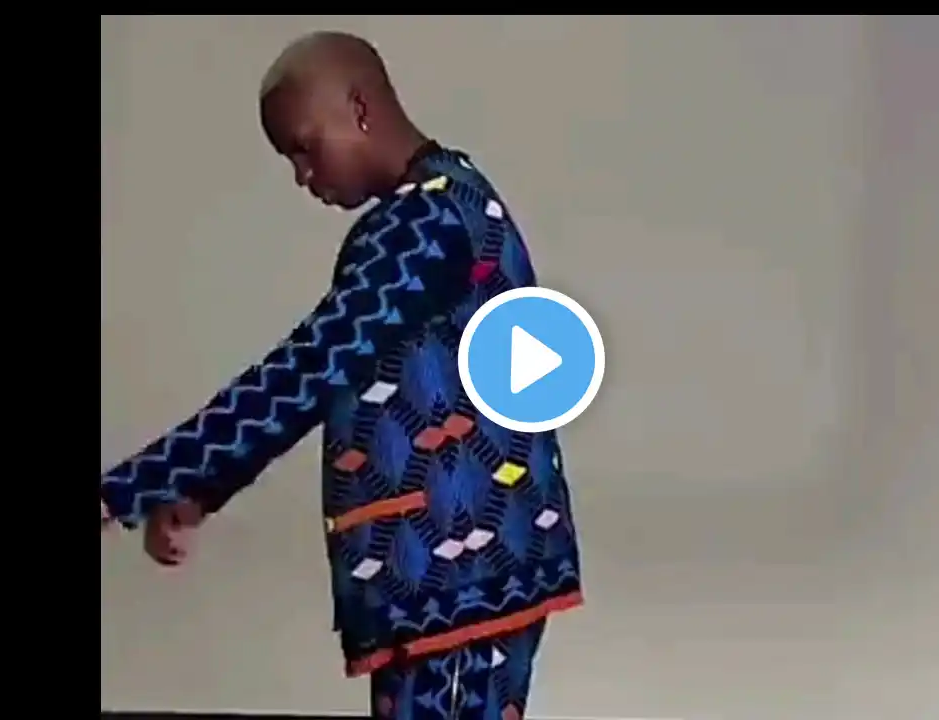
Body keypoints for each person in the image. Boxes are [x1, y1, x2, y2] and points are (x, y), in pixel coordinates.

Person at [99, 31, 583, 720]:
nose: (302, 175)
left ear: (359, 109)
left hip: (457, 584)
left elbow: (308, 368)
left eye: (304, 147)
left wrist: (138, 484)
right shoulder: (456, 196)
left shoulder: (423, 225)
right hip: (470, 578)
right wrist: (202, 487)